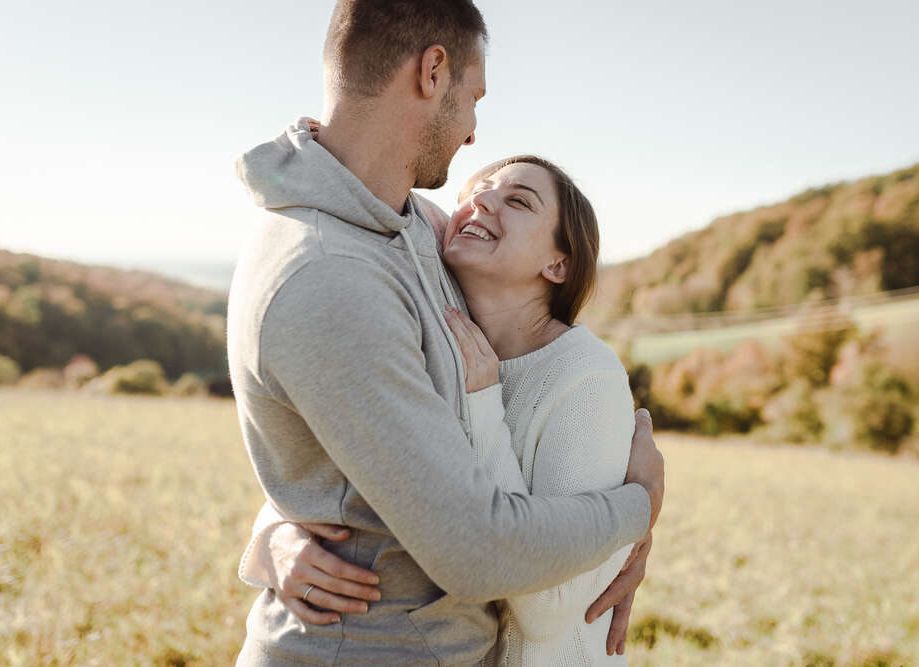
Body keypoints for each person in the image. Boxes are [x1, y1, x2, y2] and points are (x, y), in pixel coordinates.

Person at [228, 1, 664, 664]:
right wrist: (635, 508)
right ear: (433, 72)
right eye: (474, 98)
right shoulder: (328, 273)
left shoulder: (417, 225)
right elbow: (477, 549)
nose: (472, 133)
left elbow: (353, 448)